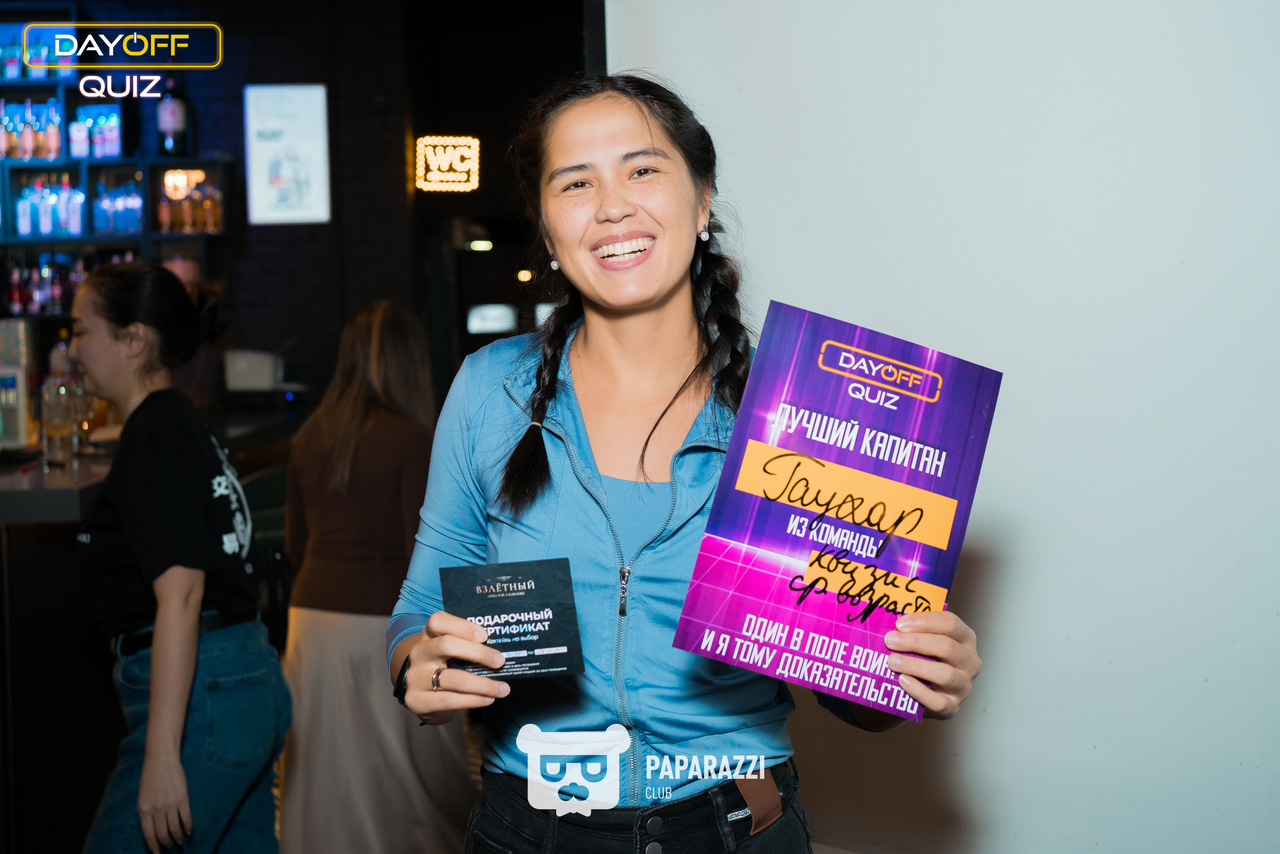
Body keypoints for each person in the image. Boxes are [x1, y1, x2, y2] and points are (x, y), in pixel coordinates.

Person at [387, 73, 982, 853]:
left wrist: (909, 669)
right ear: (548, 228)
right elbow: (421, 603)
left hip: (739, 828)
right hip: (530, 828)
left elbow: (852, 693)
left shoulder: (803, 416)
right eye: (576, 182)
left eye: (642, 169)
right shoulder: (488, 390)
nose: (612, 206)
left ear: (702, 202)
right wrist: (417, 664)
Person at [72, 262, 291, 854]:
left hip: (206, 698)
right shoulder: (177, 425)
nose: (72, 349)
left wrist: (163, 756)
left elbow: (183, 594)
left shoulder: (157, 435)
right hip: (243, 681)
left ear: (134, 339)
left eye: (81, 330)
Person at [279, 300, 474, 854]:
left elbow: (294, 545)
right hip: (387, 627)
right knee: (412, 780)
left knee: (326, 771)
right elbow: (429, 554)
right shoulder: (413, 438)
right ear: (411, 362)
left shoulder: (309, 436)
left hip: (310, 623)